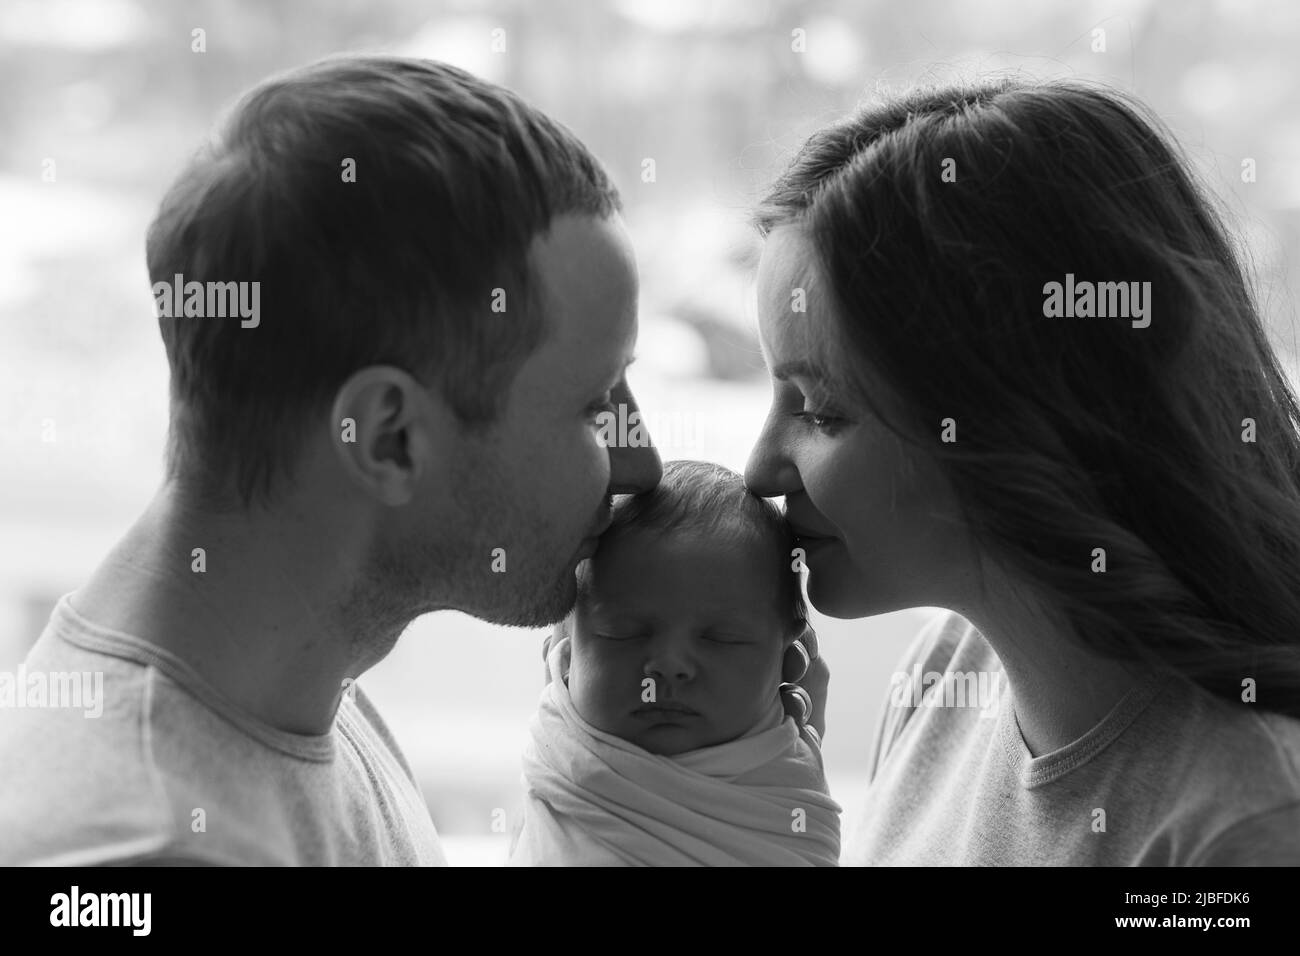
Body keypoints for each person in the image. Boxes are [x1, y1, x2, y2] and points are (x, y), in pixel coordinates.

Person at [0, 54, 664, 865]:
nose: (645, 465)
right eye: (598, 409)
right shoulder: (137, 849)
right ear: (387, 437)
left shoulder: (308, 693)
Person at [744, 78, 1300, 865]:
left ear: (1016, 414)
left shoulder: (1249, 827)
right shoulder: (944, 672)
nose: (759, 470)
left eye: (822, 409)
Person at [509, 460, 840, 866]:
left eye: (722, 639)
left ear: (786, 656)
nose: (669, 665)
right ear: (567, 646)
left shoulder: (784, 791)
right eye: (624, 632)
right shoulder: (557, 755)